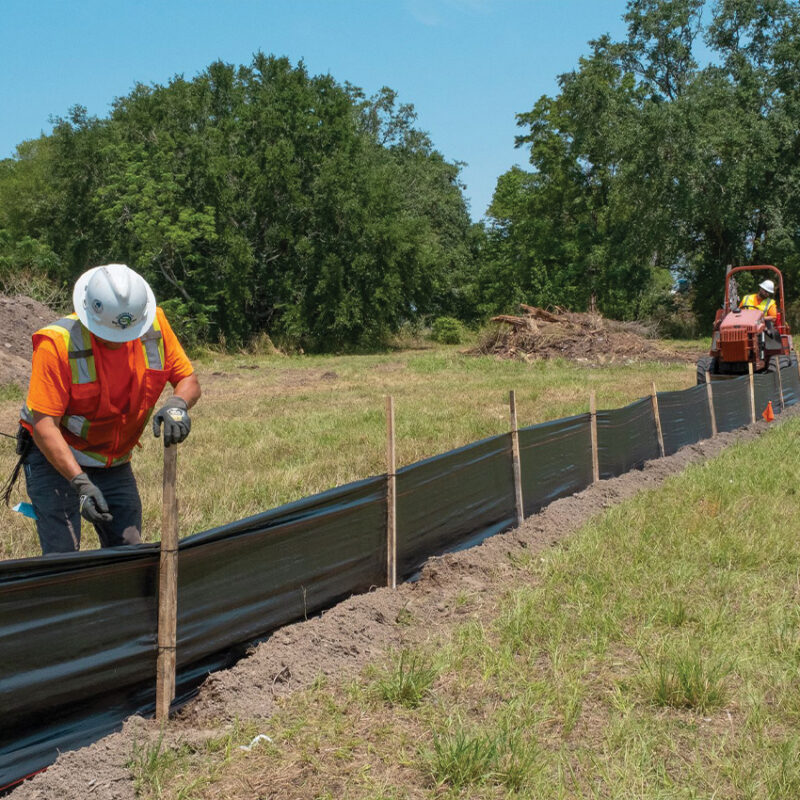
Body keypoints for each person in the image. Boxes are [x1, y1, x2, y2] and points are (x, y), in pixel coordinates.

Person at [17, 263, 201, 555]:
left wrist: (178, 405)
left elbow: (188, 380)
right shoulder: (56, 344)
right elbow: (44, 426)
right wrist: (80, 485)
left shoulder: (153, 325)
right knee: (62, 555)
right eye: (109, 336)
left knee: (128, 548)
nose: (120, 341)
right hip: (56, 459)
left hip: (113, 461)